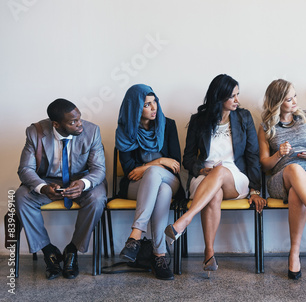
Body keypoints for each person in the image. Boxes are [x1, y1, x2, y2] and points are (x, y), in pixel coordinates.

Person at [165, 74, 265, 274]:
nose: (237, 100)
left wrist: (255, 190)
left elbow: (253, 156)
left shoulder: (244, 118)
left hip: (235, 178)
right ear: (219, 98)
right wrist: (200, 169)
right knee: (214, 194)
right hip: (204, 178)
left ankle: (185, 219)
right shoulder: (198, 120)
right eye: (232, 96)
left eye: (238, 95)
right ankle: (209, 253)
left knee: (220, 172)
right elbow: (188, 158)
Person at [15, 98, 106, 280]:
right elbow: (25, 169)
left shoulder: (92, 131)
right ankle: (49, 252)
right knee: (21, 196)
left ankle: (72, 250)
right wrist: (42, 187)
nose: (80, 124)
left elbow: (99, 169)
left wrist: (83, 184)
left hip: (81, 181)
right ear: (56, 124)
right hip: (48, 182)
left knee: (97, 198)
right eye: (73, 122)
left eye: (79, 118)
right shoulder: (35, 132)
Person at [257, 79, 306, 280]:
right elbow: (264, 164)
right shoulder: (266, 126)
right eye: (289, 99)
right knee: (293, 168)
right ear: (277, 103)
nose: (294, 102)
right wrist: (279, 155)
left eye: (295, 96)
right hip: (279, 179)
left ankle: (294, 255)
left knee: (296, 192)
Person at [115, 84, 183, 280]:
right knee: (162, 191)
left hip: (170, 179)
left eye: (155, 102)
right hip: (137, 186)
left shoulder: (168, 125)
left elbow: (175, 165)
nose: (153, 108)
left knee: (156, 176)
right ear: (135, 107)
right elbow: (129, 170)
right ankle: (159, 256)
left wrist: (148, 167)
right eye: (147, 104)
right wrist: (160, 161)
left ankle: (135, 236)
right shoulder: (125, 130)